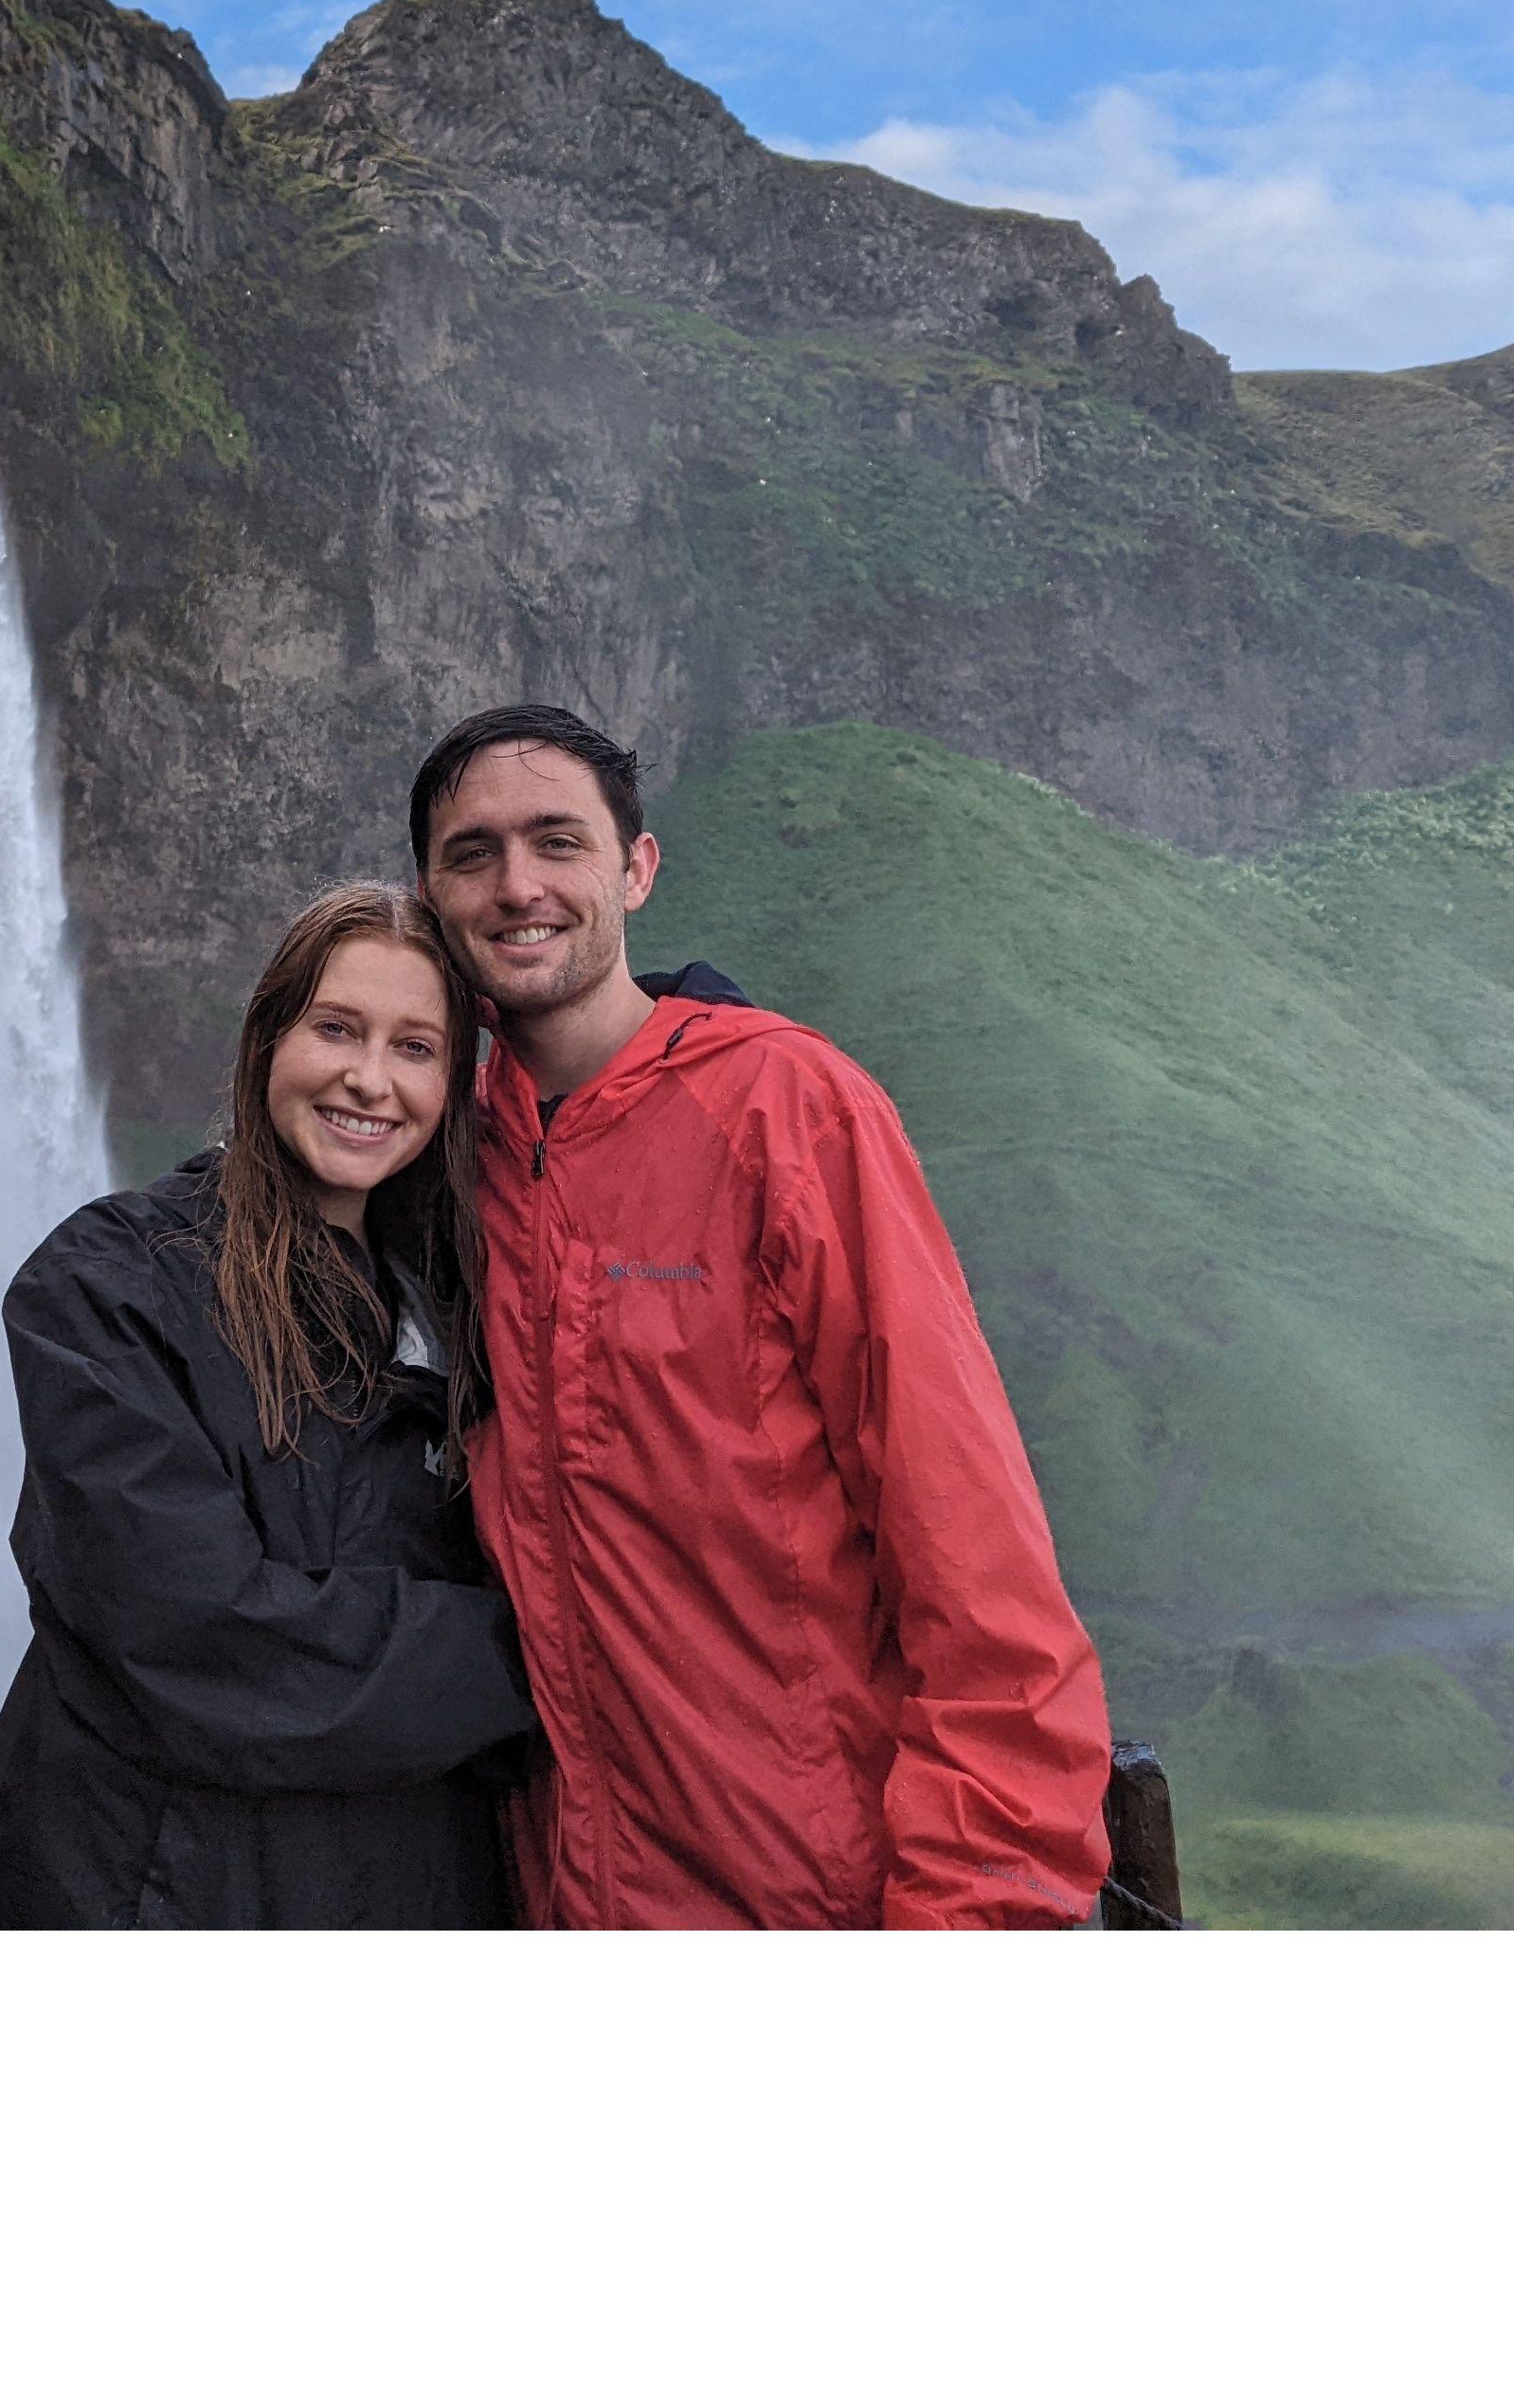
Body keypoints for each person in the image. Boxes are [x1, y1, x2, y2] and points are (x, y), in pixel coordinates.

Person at [411, 701, 1114, 1930]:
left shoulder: (787, 1110)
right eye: (472, 853)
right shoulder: (448, 1164)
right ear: (431, 893)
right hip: (565, 1901)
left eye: (557, 841)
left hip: (815, 1903)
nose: (517, 883)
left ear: (637, 870)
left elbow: (982, 1585)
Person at [0, 881, 539, 1927]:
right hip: (140, 1892)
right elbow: (192, 1634)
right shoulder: (108, 1283)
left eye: (415, 1047)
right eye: (336, 1028)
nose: (368, 1078)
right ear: (267, 1039)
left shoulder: (474, 1306)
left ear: (455, 1087)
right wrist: (538, 1656)